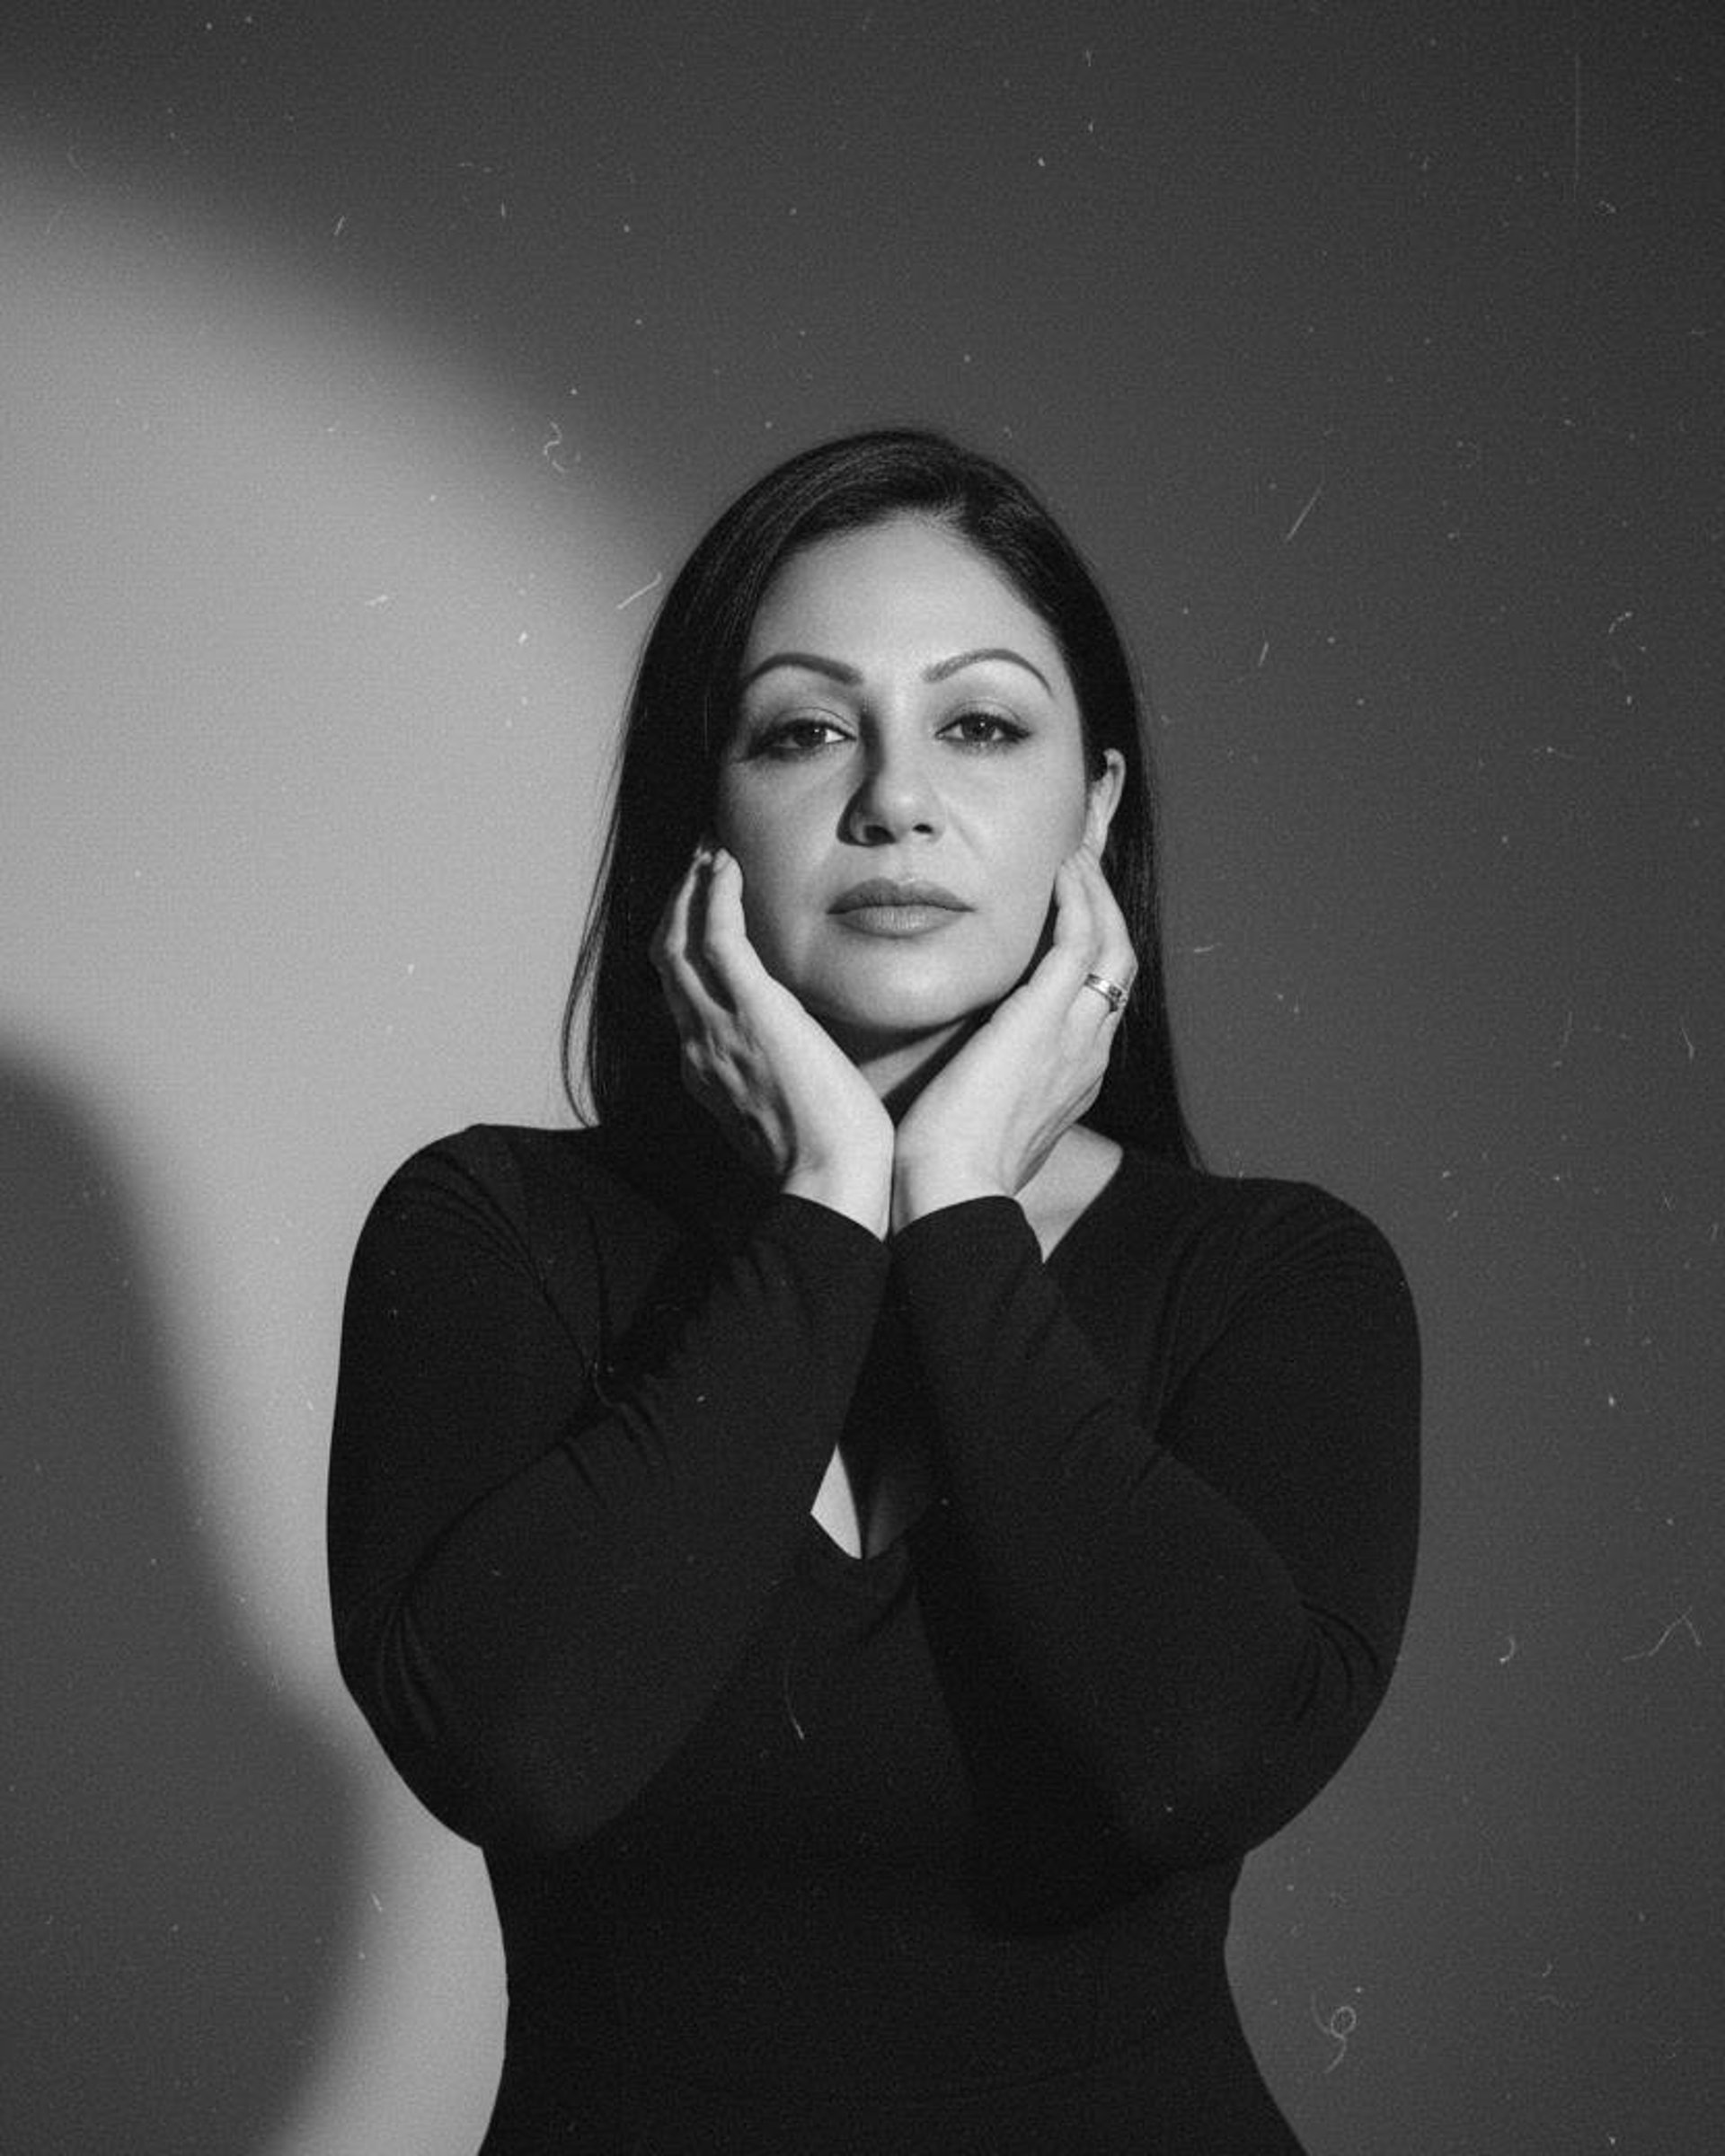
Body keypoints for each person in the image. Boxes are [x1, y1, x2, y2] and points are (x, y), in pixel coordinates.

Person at [327, 428, 1420, 2154]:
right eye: (806, 729)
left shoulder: (1280, 1280)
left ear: (1099, 809)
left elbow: (1202, 1759)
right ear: (706, 808)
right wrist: (830, 1201)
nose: (893, 798)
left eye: (980, 726)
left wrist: (960, 1203)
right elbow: (524, 1754)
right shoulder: (488, 1234)